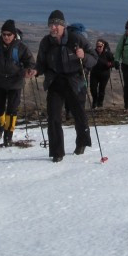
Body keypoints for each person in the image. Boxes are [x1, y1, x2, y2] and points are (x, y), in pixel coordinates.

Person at [35, 10, 97, 162]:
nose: (53, 28)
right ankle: (57, 152)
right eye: (51, 24)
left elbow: (94, 58)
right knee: (53, 117)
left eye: (56, 24)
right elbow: (41, 64)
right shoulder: (46, 42)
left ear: (63, 26)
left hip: (75, 81)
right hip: (55, 82)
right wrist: (35, 71)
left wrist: (84, 56)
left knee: (79, 114)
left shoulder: (76, 39)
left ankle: (82, 142)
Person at [0, 19, 36, 146]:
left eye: (9, 34)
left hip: (16, 83)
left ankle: (8, 136)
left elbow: (30, 62)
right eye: (4, 34)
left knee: (12, 110)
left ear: (14, 35)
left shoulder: (21, 48)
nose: (6, 37)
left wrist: (28, 71)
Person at [89, 39, 115, 109]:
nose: (98, 48)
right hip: (94, 73)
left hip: (104, 74)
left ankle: (100, 104)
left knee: (101, 89)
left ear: (103, 46)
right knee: (93, 88)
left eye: (100, 46)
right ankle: (95, 101)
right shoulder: (93, 52)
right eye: (97, 46)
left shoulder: (108, 53)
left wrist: (110, 64)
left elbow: (114, 62)